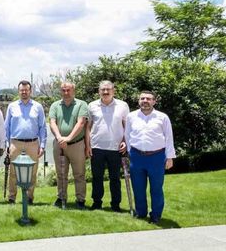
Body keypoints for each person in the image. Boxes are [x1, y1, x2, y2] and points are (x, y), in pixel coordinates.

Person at [125, 91, 176, 224]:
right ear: (138, 101)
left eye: (148, 98)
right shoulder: (131, 117)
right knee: (138, 187)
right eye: (142, 98)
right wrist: (130, 153)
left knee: (156, 188)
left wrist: (170, 157)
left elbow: (169, 138)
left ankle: (156, 215)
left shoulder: (162, 117)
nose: (145, 101)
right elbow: (127, 136)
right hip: (137, 157)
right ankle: (141, 213)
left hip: (157, 157)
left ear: (154, 101)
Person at [86, 81, 129, 212]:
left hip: (116, 148)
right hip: (96, 147)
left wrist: (125, 141)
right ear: (99, 91)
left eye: (108, 89)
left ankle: (115, 204)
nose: (105, 92)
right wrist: (88, 146)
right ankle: (97, 202)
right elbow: (87, 127)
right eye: (102, 90)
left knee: (115, 178)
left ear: (113, 91)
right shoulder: (92, 105)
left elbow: (127, 126)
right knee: (97, 177)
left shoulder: (122, 105)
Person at [4, 80, 47, 205]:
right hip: (15, 143)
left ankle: (29, 198)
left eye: (26, 90)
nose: (24, 92)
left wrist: (43, 145)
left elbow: (42, 127)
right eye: (21, 90)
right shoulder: (12, 106)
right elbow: (7, 127)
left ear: (30, 91)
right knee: (13, 172)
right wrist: (7, 145)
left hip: (33, 144)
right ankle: (11, 197)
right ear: (18, 91)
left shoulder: (37, 107)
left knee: (32, 171)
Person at [49, 82, 89, 209]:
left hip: (76, 144)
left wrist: (69, 138)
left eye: (68, 90)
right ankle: (61, 198)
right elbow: (52, 122)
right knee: (61, 174)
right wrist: (60, 137)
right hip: (59, 144)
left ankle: (80, 200)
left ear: (74, 91)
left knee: (79, 174)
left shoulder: (81, 104)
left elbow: (81, 123)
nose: (66, 93)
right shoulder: (55, 105)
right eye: (63, 90)